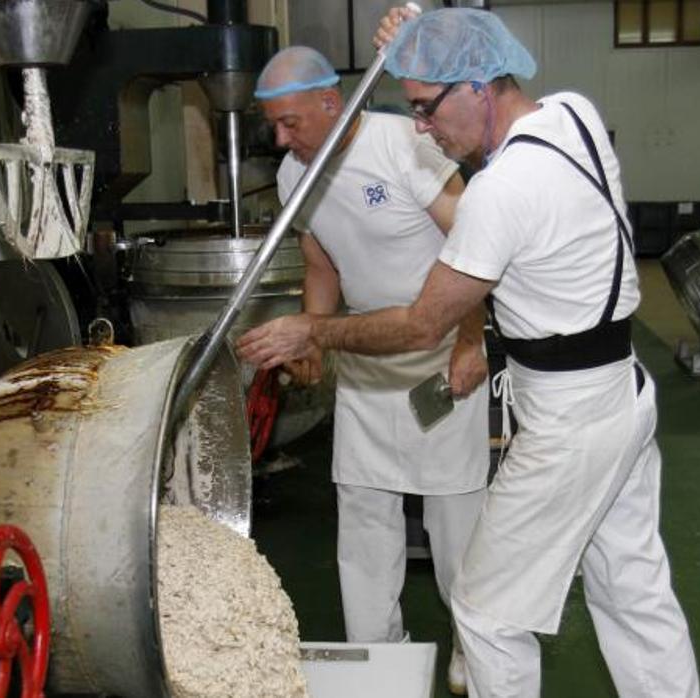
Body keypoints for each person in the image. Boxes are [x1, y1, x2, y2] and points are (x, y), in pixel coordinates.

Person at [238, 10, 700, 698]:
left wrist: (314, 332)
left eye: (426, 107)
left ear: (477, 87)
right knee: (629, 583)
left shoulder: (498, 194)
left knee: (484, 612)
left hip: (569, 422)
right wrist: (428, 29)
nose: (420, 125)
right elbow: (471, 62)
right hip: (619, 393)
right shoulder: (573, 116)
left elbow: (424, 324)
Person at [253, 45, 491, 693]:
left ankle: (475, 648)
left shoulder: (404, 146)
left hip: (440, 359)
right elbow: (320, 262)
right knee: (362, 517)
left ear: (332, 103)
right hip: (365, 359)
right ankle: (375, 653)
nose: (280, 138)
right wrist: (312, 343)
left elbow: (471, 244)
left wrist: (471, 339)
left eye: (290, 121)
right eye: (271, 124)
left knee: (453, 519)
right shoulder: (293, 174)